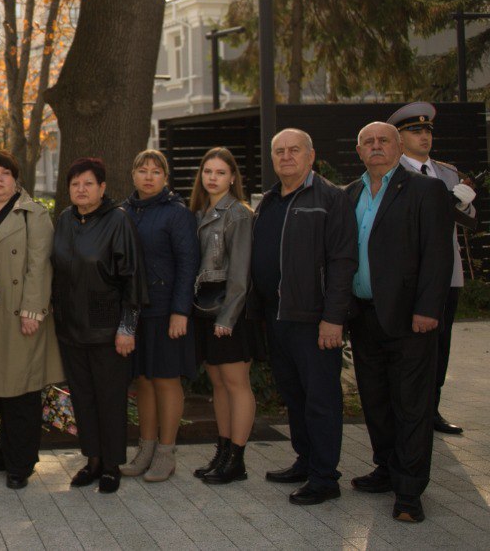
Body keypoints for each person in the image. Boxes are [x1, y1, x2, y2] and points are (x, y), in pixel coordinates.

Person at [344, 122, 454, 523]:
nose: (376, 147)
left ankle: (409, 491)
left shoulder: (425, 190)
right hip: (364, 315)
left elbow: (438, 255)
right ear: (359, 151)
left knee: (411, 405)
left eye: (383, 141)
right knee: (375, 400)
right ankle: (386, 469)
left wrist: (428, 308)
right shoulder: (351, 193)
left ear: (398, 146)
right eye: (368, 142)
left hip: (410, 319)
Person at [248, 129, 356, 506]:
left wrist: (334, 318)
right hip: (276, 318)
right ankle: (306, 461)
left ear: (311, 156)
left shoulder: (330, 198)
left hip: (313, 320)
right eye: (279, 151)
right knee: (294, 395)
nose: (286, 157)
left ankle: (325, 477)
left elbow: (343, 262)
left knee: (321, 399)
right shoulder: (269, 200)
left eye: (294, 150)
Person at [50, 157, 144, 494]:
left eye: (88, 183)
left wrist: (127, 328)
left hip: (108, 330)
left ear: (102, 188)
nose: (81, 189)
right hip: (71, 328)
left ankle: (111, 464)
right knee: (83, 398)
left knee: (109, 398)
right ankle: (91, 459)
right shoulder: (64, 220)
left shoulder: (118, 221)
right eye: (75, 184)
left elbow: (132, 278)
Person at [0, 150, 62, 490]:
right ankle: (7, 449)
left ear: (15, 178)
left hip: (18, 311)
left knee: (22, 388)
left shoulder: (32, 214)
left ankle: (22, 461)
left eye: (6, 173)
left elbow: (40, 264)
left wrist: (32, 310)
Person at [387, 101, 477, 437]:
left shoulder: (447, 172)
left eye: (427, 131)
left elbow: (469, 222)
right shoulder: (396, 173)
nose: (424, 136)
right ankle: (411, 410)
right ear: (399, 137)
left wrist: (464, 203)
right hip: (411, 274)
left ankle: (432, 409)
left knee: (442, 343)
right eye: (415, 131)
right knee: (412, 347)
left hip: (447, 273)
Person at [120, 149, 199, 483]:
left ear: (165, 177)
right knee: (143, 382)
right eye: (142, 169)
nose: (148, 176)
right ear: (133, 175)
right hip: (135, 311)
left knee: (166, 379)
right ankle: (146, 449)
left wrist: (180, 311)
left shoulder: (176, 213)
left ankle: (166, 452)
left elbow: (188, 264)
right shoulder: (123, 212)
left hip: (167, 309)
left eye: (156, 171)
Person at [188, 147, 257, 484]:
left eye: (220, 172)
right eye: (208, 171)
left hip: (230, 314)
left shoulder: (239, 214)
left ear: (232, 178)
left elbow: (241, 275)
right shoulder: (200, 213)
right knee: (218, 385)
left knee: (236, 384)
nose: (212, 177)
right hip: (205, 310)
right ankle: (223, 451)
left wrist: (227, 318)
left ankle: (238, 460)